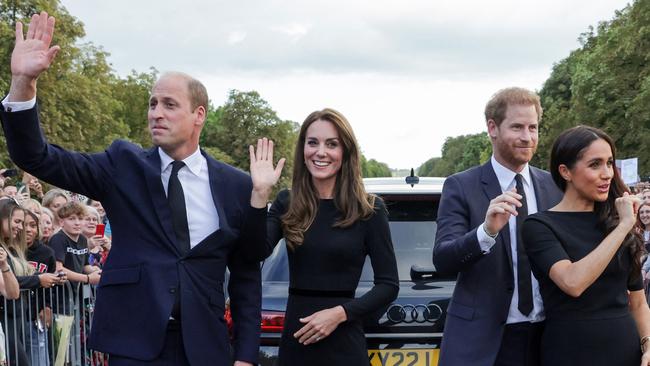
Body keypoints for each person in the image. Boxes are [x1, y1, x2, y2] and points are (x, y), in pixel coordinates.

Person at [0, 12, 266, 365]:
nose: (157, 112)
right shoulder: (121, 165)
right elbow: (38, 158)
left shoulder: (235, 185)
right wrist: (23, 83)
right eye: (153, 103)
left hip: (206, 347)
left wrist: (246, 355)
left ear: (199, 115)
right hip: (134, 345)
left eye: (170, 105)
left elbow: (246, 275)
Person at [249, 109, 399, 365]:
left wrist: (340, 314)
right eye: (312, 142)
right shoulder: (288, 202)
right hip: (297, 342)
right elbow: (253, 252)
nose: (320, 152)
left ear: (346, 152)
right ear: (303, 149)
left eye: (332, 144)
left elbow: (388, 285)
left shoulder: (369, 209)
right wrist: (260, 193)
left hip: (345, 342)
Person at [432, 87, 563, 366]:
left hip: (549, 340)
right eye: (517, 127)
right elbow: (443, 259)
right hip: (487, 344)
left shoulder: (554, 187)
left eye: (533, 127)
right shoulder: (461, 186)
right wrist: (486, 232)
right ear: (492, 128)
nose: (527, 137)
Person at [522, 126, 650, 365]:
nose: (607, 173)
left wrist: (647, 344)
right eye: (595, 164)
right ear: (565, 171)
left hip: (626, 351)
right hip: (570, 352)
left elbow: (639, 302)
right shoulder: (539, 225)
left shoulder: (614, 222)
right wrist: (623, 227)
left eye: (610, 163)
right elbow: (573, 282)